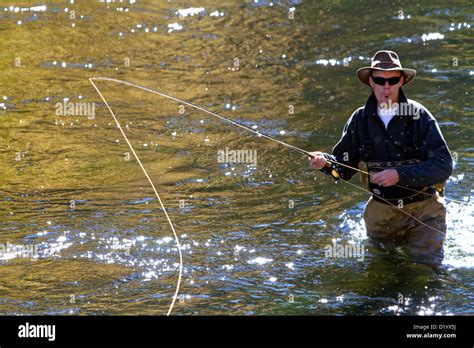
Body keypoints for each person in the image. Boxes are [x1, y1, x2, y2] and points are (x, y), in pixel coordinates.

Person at [309, 50, 453, 265]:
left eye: (393, 80)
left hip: (425, 212)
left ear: (401, 81)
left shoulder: (420, 115)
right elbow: (343, 168)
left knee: (424, 266)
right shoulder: (359, 120)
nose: (386, 86)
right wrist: (325, 163)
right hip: (381, 215)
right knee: (383, 270)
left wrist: (399, 175)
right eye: (380, 80)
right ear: (370, 81)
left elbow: (443, 166)